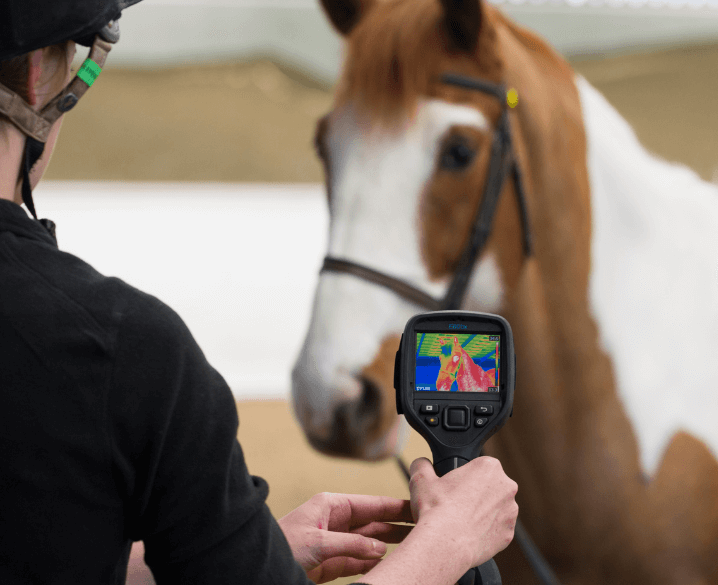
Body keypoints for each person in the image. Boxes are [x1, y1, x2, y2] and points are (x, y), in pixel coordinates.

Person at [0, 1, 519, 584]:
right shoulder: (125, 349)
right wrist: (446, 548)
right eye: (76, 61)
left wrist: (226, 550)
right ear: (41, 74)